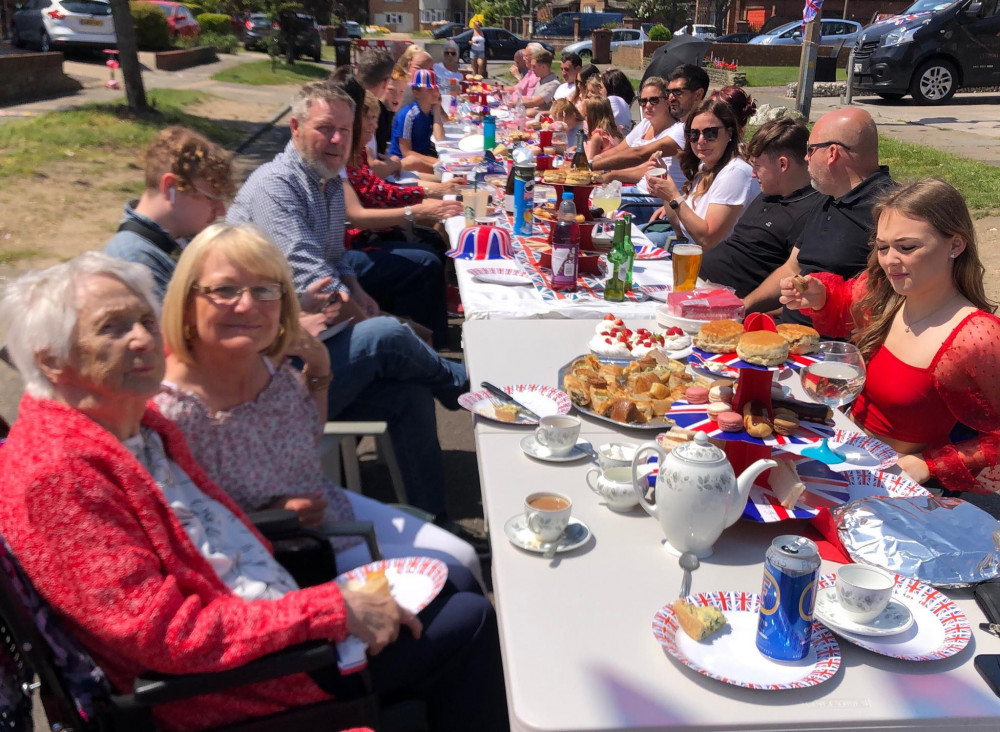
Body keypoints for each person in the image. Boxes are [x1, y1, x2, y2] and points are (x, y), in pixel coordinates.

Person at [0, 252, 509, 732]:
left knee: (458, 580)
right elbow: (163, 635)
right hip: (230, 682)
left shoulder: (133, 422)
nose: (142, 340)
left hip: (258, 609)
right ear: (50, 361)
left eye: (144, 321)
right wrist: (329, 610)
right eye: (112, 328)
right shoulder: (58, 475)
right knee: (468, 619)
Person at [153, 224, 483, 583]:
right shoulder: (172, 409)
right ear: (186, 303)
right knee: (455, 573)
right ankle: (475, 390)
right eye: (224, 290)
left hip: (324, 507)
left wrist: (319, 367)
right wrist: (271, 514)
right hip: (279, 549)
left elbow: (305, 437)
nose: (247, 304)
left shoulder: (262, 361)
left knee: (463, 558)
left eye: (264, 290)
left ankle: (445, 479)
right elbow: (180, 534)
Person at [226, 82, 468, 518]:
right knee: (390, 336)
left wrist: (358, 293)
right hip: (270, 376)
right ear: (295, 128)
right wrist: (379, 318)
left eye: (345, 129)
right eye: (325, 129)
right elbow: (315, 282)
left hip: (309, 345)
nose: (338, 140)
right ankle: (467, 387)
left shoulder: (327, 183)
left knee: (409, 391)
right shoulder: (275, 188)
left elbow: (337, 262)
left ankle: (433, 523)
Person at [781, 178, 1000, 494]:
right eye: (882, 247)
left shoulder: (977, 336)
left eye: (907, 247)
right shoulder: (884, 293)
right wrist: (819, 296)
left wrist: (929, 464)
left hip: (894, 487)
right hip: (842, 453)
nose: (889, 261)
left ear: (955, 244)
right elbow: (844, 302)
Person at [744, 107, 895, 323]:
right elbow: (792, 267)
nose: (805, 158)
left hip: (831, 346)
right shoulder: (826, 198)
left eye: (810, 150)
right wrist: (743, 306)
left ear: (832, 153)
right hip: (786, 329)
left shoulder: (889, 210)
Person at [699, 117, 826, 297]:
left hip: (724, 300)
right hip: (698, 280)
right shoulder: (768, 193)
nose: (752, 174)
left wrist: (746, 307)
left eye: (757, 166)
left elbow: (795, 281)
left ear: (783, 164)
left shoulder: (811, 212)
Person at [105, 126, 234, 299]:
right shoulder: (135, 263)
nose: (222, 211)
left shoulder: (167, 244)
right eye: (211, 198)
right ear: (170, 187)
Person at [347, 90, 457, 255]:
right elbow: (377, 193)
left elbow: (380, 189)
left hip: (383, 218)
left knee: (436, 234)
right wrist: (425, 201)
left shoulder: (361, 151)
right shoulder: (348, 158)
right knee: (430, 253)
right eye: (368, 118)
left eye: (375, 118)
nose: (373, 125)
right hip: (366, 236)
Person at [645, 98, 760, 250]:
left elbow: (707, 241)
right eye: (693, 134)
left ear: (729, 133)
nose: (701, 140)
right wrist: (665, 186)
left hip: (714, 264)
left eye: (710, 133)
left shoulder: (735, 173)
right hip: (689, 250)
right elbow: (680, 230)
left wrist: (674, 196)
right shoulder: (705, 167)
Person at [595, 65, 709, 194]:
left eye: (677, 92)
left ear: (698, 94)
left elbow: (640, 154)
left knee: (593, 202)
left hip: (653, 201)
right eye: (669, 92)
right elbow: (621, 150)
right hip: (645, 193)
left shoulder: (686, 128)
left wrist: (592, 166)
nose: (671, 97)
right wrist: (594, 160)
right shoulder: (649, 124)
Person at [388, 69, 446, 175]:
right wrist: (435, 161)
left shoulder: (431, 111)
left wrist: (437, 109)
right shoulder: (408, 115)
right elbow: (406, 153)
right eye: (429, 90)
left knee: (445, 172)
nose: (435, 93)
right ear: (416, 93)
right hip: (403, 165)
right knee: (443, 173)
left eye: (437, 89)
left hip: (422, 158)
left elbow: (439, 138)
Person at [601, 68, 636, 132]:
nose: (599, 90)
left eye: (601, 87)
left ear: (610, 88)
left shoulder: (612, 101)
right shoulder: (622, 103)